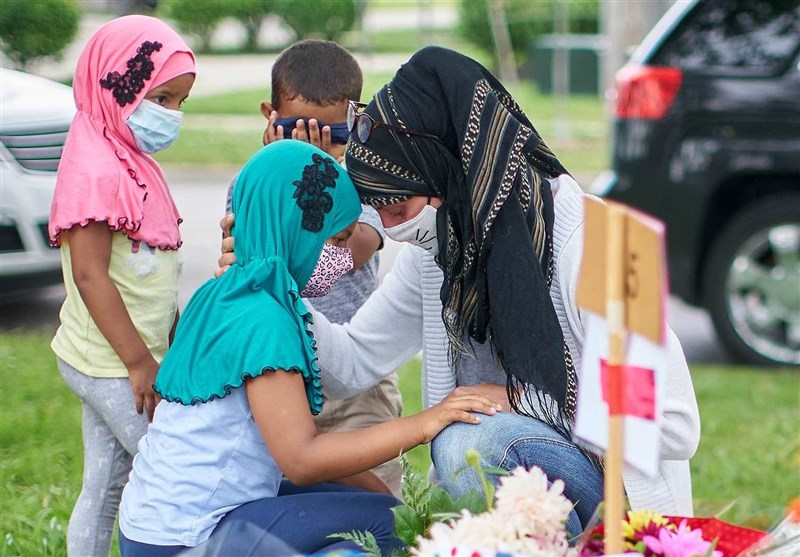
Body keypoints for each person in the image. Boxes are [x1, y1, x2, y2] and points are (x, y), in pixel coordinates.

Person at [219, 46, 701, 538]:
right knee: (466, 433)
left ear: (453, 176)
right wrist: (272, 280)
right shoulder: (439, 253)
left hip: (621, 509)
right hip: (512, 489)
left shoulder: (604, 241)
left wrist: (524, 398)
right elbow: (353, 362)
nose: (390, 229)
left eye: (399, 208)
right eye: (376, 209)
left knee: (469, 434)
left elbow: (673, 424)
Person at [118, 140, 501, 556]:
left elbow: (302, 439)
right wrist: (426, 424)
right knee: (387, 528)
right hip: (188, 539)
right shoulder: (267, 320)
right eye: (335, 240)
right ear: (296, 230)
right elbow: (301, 459)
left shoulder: (221, 293)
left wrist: (389, 500)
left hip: (149, 528)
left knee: (383, 510)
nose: (341, 258)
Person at [225, 39, 403, 495]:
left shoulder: (364, 182)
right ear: (270, 115)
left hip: (360, 382)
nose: (316, 145)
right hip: (283, 382)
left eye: (331, 136)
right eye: (296, 130)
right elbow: (249, 267)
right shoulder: (254, 186)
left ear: (355, 122)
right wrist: (286, 174)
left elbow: (347, 253)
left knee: (378, 506)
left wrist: (325, 176)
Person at [48, 15, 195, 557]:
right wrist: (139, 362)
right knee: (167, 467)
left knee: (106, 483)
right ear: (119, 85)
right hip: (110, 362)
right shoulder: (95, 169)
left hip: (124, 356)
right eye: (163, 98)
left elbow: (152, 268)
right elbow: (89, 274)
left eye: (181, 101)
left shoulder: (129, 158)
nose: (172, 115)